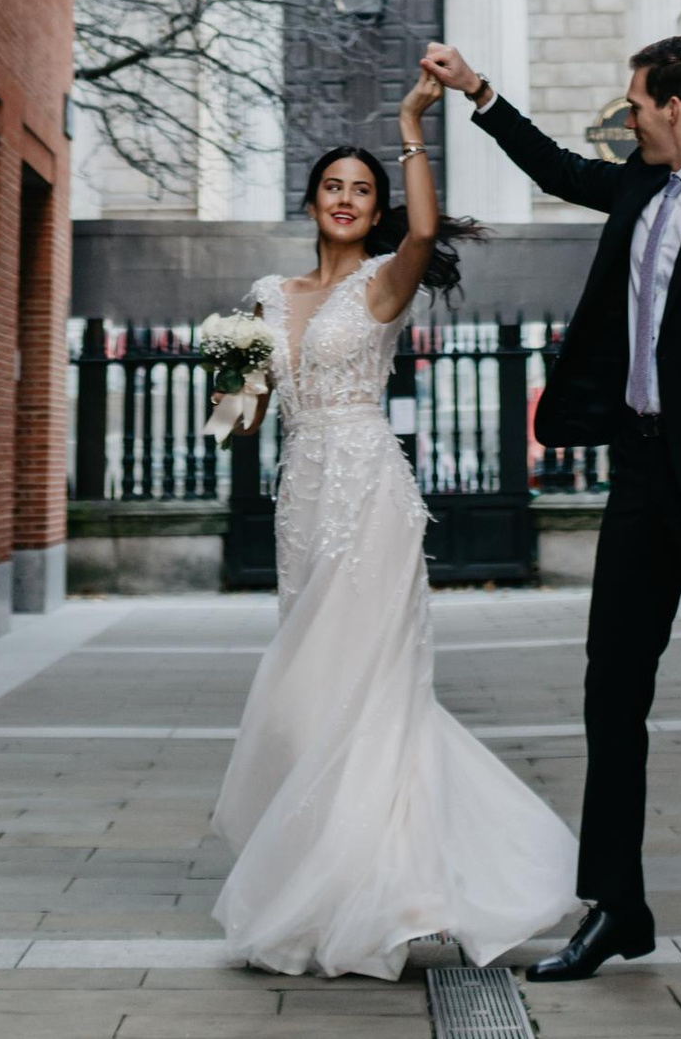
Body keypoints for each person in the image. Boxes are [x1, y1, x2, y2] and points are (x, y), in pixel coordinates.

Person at [420, 33, 681, 1013]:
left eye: (635, 102)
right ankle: (617, 906)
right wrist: (477, 90)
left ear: (674, 106)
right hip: (638, 475)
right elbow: (555, 168)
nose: (627, 115)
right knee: (610, 694)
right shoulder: (638, 187)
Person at [211, 66, 578, 978]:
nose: (346, 198)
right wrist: (231, 376)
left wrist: (414, 119)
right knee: (309, 701)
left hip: (369, 495)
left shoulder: (385, 280)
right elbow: (244, 425)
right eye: (333, 186)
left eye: (361, 190)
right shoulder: (267, 294)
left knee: (371, 693)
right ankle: (339, 883)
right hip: (301, 502)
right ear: (311, 200)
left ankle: (394, 894)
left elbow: (425, 230)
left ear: (375, 210)